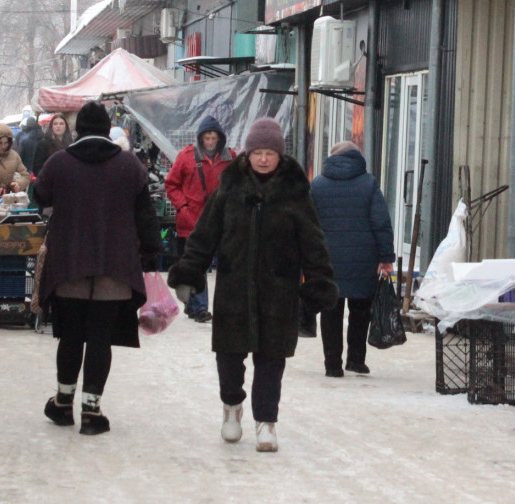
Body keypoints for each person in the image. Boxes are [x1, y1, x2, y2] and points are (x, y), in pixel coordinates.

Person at [167, 117, 337, 453]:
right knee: (229, 358)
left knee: (271, 361)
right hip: (234, 290)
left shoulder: (295, 190)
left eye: (269, 153)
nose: (262, 159)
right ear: (247, 153)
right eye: (257, 152)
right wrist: (189, 272)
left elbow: (313, 242)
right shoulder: (229, 186)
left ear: (279, 155)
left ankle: (266, 422)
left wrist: (318, 282)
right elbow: (204, 235)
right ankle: (231, 408)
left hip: (279, 293)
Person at [34, 102, 162, 435]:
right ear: (107, 130)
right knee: (100, 339)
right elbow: (145, 216)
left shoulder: (58, 163)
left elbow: (40, 195)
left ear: (78, 130)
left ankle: (62, 404)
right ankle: (92, 412)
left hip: (68, 265)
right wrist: (150, 255)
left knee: (71, 335)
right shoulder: (130, 166)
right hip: (115, 267)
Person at [309, 141, 395, 377]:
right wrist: (386, 256)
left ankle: (332, 364)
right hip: (363, 258)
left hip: (328, 259)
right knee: (360, 310)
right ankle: (356, 360)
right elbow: (381, 223)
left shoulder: (317, 184)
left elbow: (309, 224)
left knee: (331, 311)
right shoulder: (368, 184)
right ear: (357, 158)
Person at [164, 116, 234, 323]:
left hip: (220, 220)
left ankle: (201, 305)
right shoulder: (186, 157)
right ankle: (199, 307)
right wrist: (183, 207)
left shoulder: (230, 158)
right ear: (200, 138)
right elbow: (171, 184)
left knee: (225, 264)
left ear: (220, 139)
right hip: (191, 219)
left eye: (213, 137)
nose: (210, 142)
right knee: (196, 264)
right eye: (206, 137)